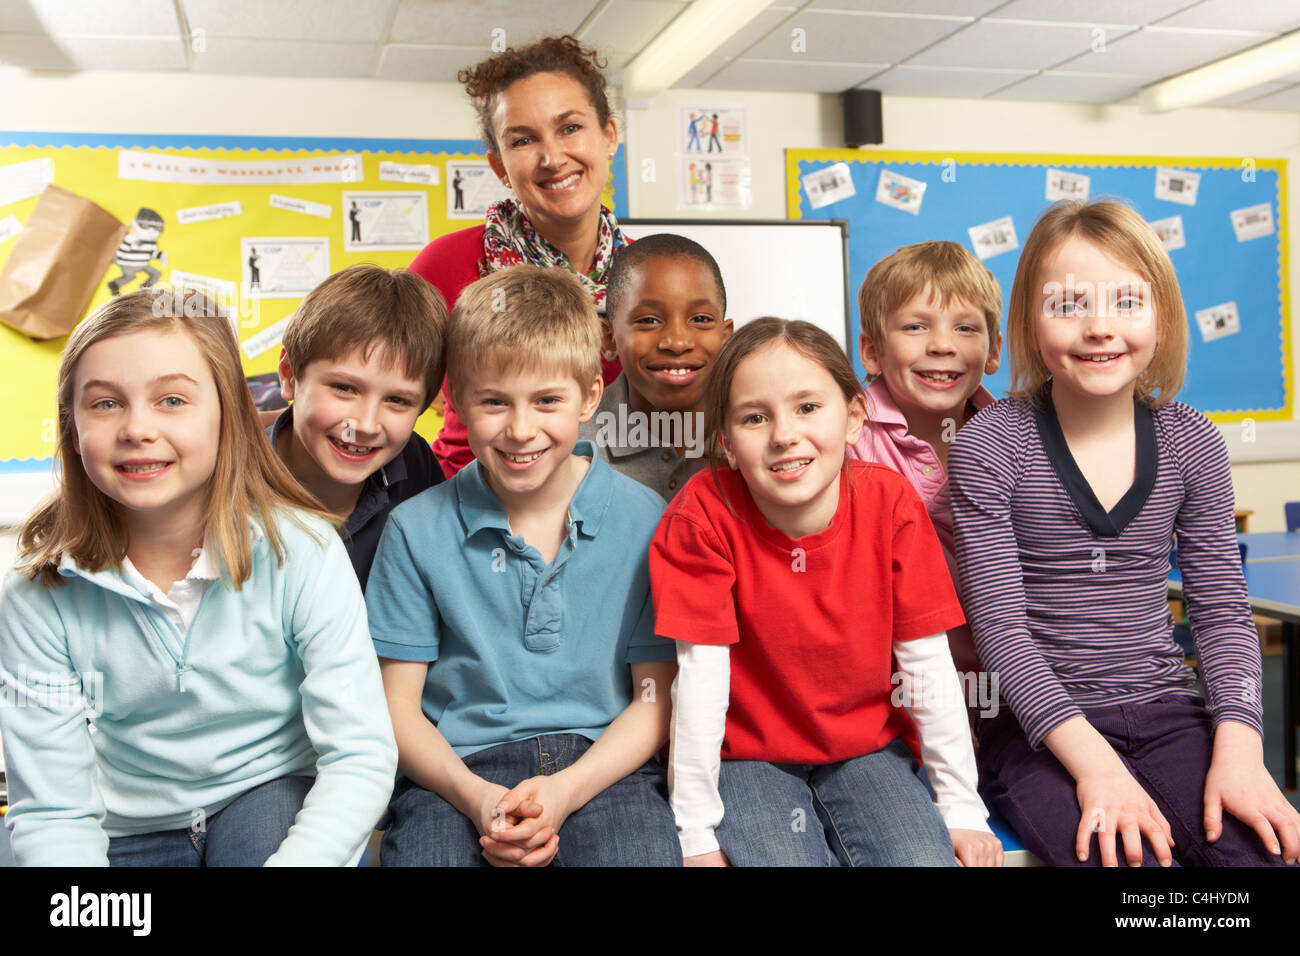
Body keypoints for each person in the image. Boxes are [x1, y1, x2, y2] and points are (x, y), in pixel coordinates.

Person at [949, 199, 1300, 867]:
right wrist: (1099, 769)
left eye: (1127, 303)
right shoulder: (989, 446)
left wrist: (1242, 750)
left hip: (1168, 709)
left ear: (1162, 316)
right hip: (1036, 732)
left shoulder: (1192, 440)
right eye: (1069, 304)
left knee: (1262, 860)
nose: (1099, 328)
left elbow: (1223, 612)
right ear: (1029, 320)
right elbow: (1000, 630)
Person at [0, 289, 398, 866]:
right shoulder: (37, 593)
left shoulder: (304, 552)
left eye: (171, 400)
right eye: (106, 404)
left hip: (267, 795)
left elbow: (360, 757)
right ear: (72, 424)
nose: (137, 428)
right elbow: (53, 811)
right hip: (126, 822)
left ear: (227, 414)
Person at [651, 318, 1000, 867]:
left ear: (854, 417)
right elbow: (699, 680)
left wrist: (960, 805)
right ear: (725, 439)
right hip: (746, 756)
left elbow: (928, 664)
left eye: (808, 407)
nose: (784, 434)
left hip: (867, 747)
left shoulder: (890, 504)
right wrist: (695, 831)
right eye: (754, 417)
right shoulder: (702, 515)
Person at [366, 265, 681, 867]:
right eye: (493, 402)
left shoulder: (647, 519)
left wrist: (564, 792)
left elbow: (653, 697)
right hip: (457, 770)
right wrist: (476, 796)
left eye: (546, 401)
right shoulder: (415, 529)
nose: (520, 429)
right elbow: (397, 709)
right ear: (455, 399)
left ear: (590, 395)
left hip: (603, 766)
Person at [410, 35, 628, 478]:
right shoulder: (446, 265)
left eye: (570, 127)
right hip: (464, 508)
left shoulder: (650, 274)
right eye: (524, 140)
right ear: (499, 167)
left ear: (608, 136)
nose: (552, 157)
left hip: (609, 514)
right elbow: (391, 387)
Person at [851, 241, 1002, 683]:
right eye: (916, 327)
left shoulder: (1015, 441)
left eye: (966, 329)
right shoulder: (844, 436)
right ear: (872, 351)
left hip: (1001, 681)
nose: (941, 345)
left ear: (993, 352)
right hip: (888, 683)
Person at [268, 265, 448, 590]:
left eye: (397, 400)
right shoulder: (227, 479)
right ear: (289, 376)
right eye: (345, 388)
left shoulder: (416, 465)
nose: (364, 426)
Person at [578, 234, 732, 500]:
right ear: (608, 339)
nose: (677, 342)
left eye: (700, 319)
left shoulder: (758, 437)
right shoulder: (571, 446)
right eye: (649, 320)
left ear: (726, 337)